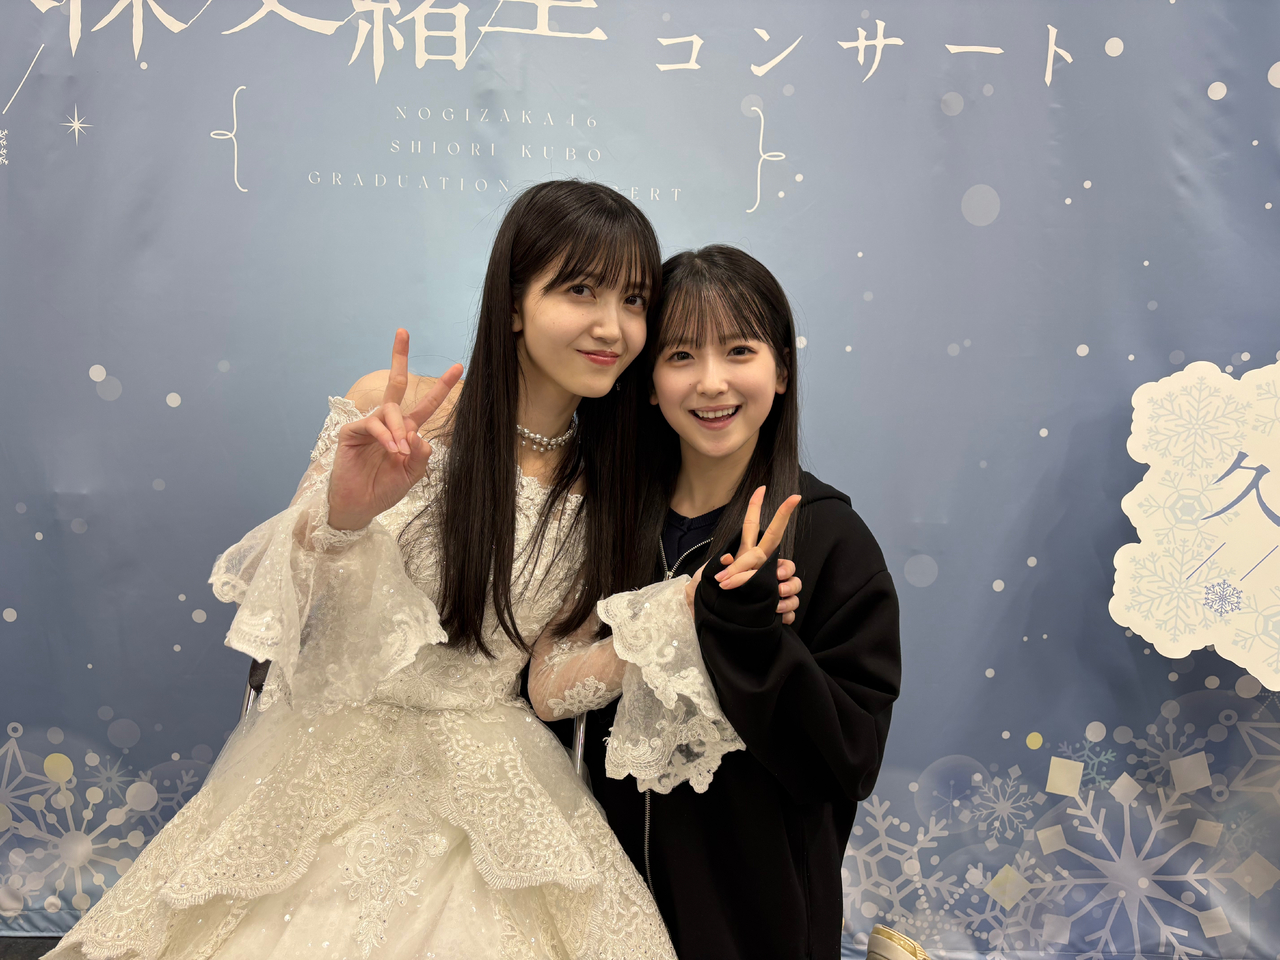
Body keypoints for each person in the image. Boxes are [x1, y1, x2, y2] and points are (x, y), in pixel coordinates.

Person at [48, 181, 681, 960]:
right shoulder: (395, 411)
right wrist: (341, 517)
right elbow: (284, 609)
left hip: (496, 775)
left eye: (634, 300)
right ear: (515, 302)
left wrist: (667, 629)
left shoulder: (611, 489)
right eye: (580, 290)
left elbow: (549, 685)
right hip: (323, 754)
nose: (612, 326)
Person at [528, 245, 902, 960]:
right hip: (605, 917)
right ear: (648, 382)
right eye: (680, 356)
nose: (711, 382)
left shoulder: (829, 537)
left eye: (739, 351)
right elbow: (548, 690)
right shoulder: (606, 523)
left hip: (754, 925)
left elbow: (848, 763)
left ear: (781, 371)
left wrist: (751, 637)